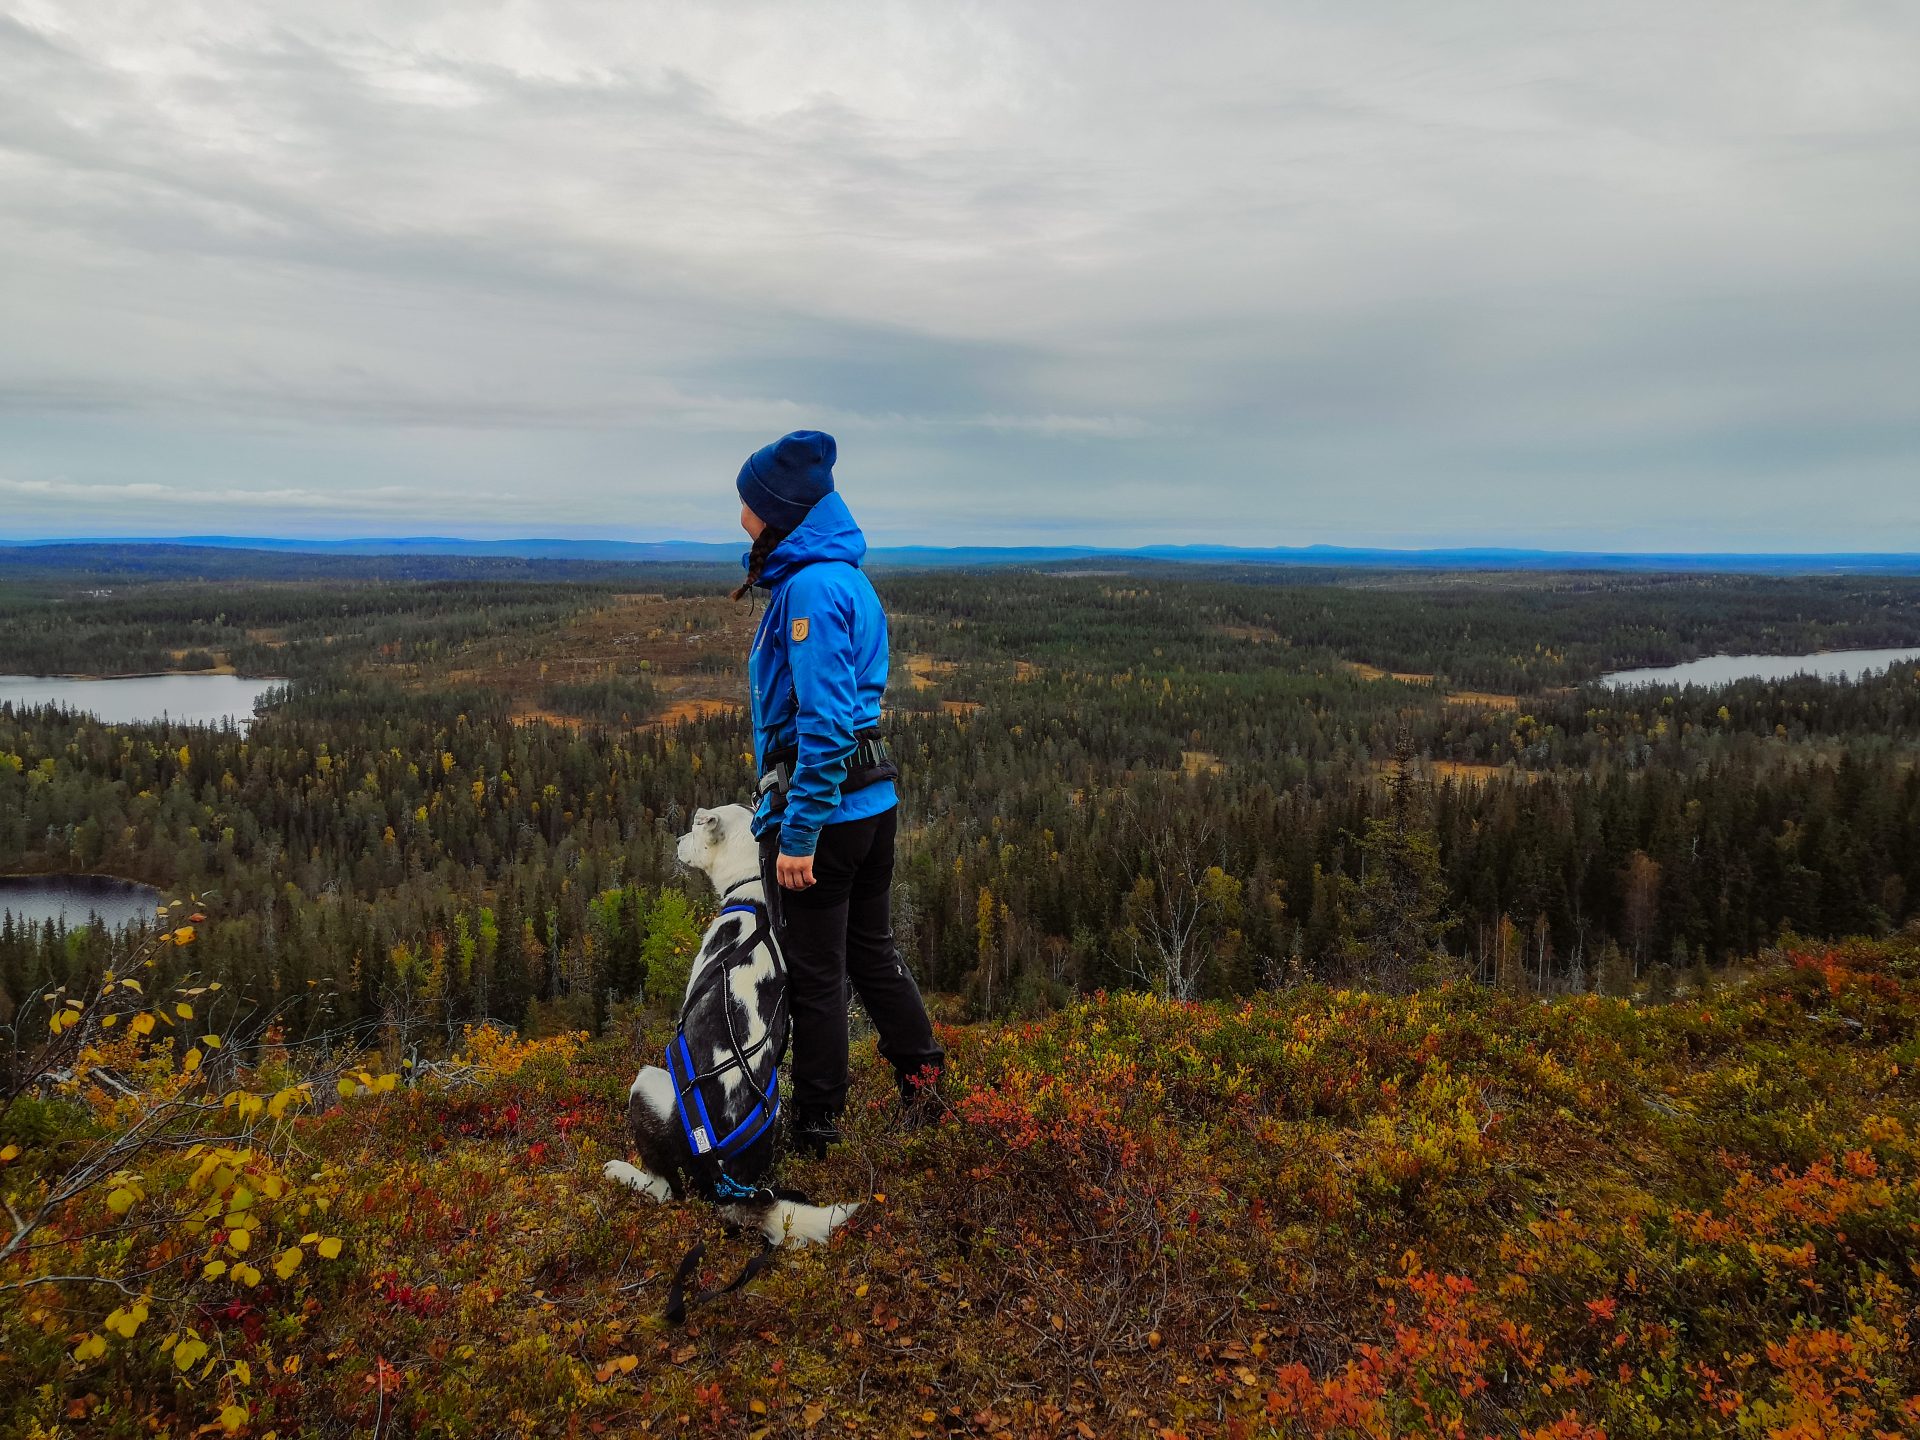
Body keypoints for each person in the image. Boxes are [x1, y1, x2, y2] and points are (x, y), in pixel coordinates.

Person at [732, 429, 945, 1157]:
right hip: (871, 808)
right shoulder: (845, 578)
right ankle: (925, 1088)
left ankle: (817, 1129)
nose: (742, 520)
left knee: (817, 977)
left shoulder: (813, 590)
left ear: (782, 511)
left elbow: (822, 729)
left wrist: (798, 834)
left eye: (750, 507)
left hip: (825, 815)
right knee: (872, 957)